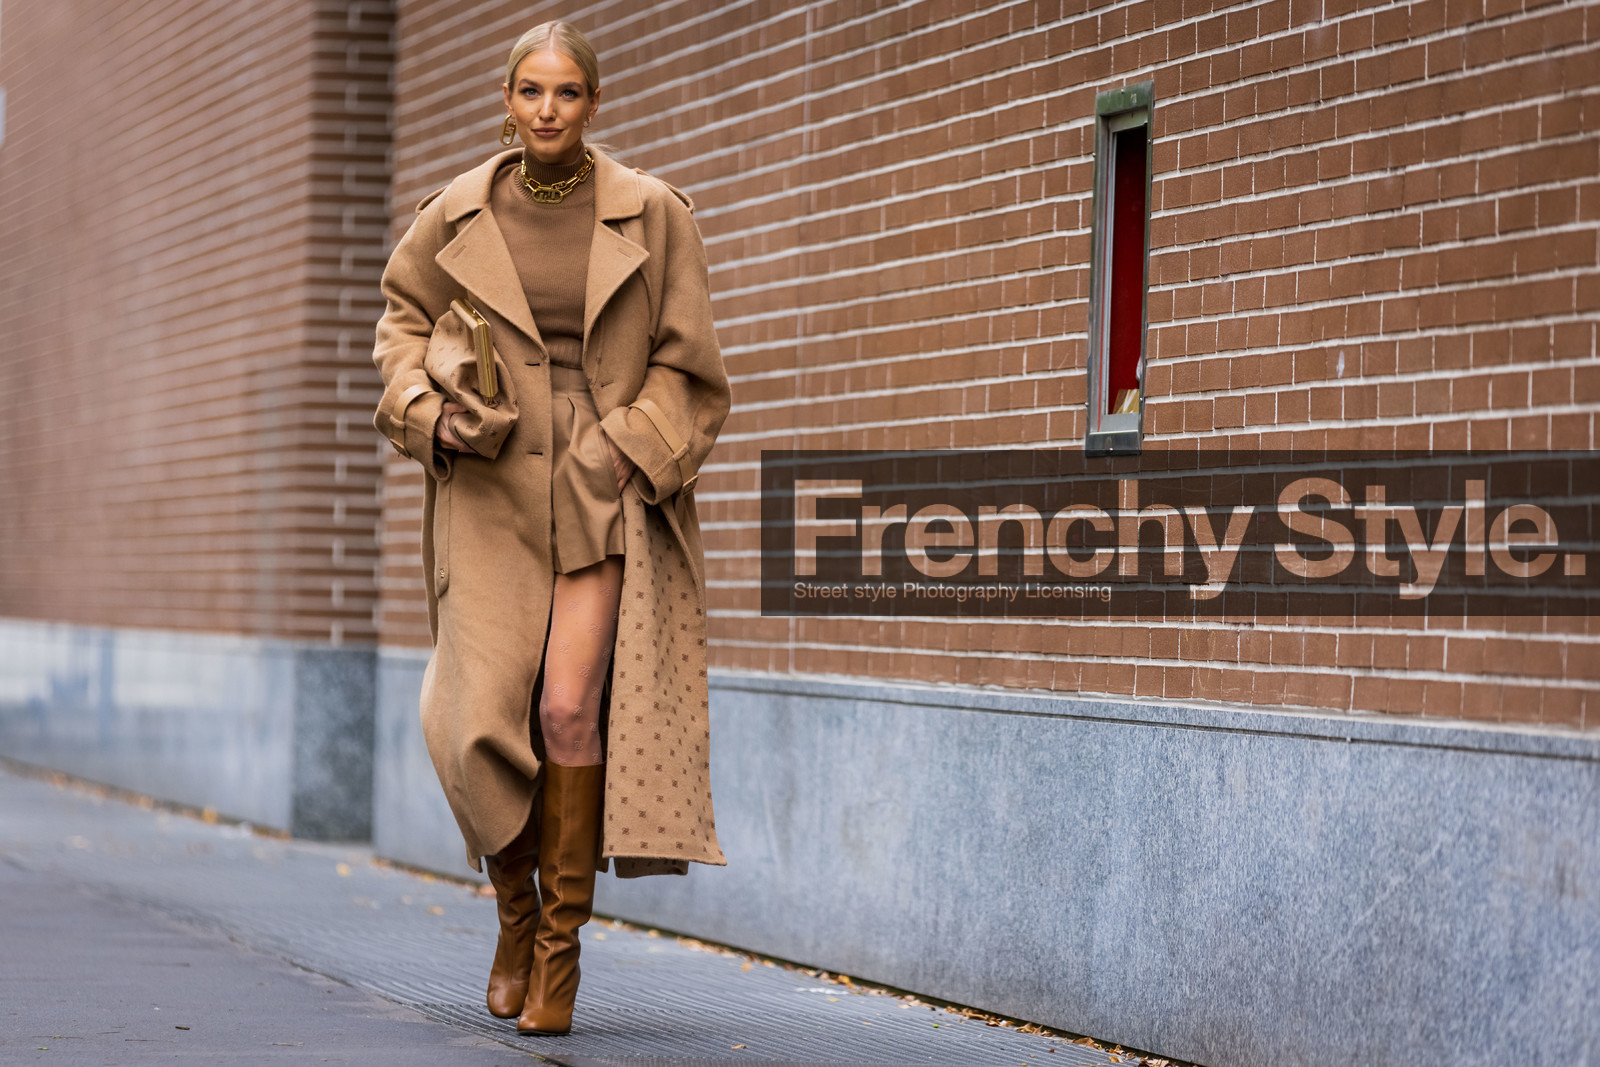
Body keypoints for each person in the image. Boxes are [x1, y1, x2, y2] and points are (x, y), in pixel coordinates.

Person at [370, 21, 730, 1036]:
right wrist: (429, 412)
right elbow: (399, 325)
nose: (547, 109)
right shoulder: (455, 211)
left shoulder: (654, 215)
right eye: (531, 89)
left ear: (593, 104)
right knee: (478, 717)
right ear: (506, 95)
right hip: (487, 487)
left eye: (567, 92)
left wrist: (624, 445)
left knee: (569, 711)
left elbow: (690, 366)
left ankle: (560, 956)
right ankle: (514, 913)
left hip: (599, 481)